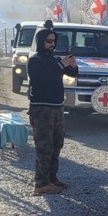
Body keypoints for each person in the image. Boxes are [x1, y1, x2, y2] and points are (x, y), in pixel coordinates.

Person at [27, 27, 78, 195]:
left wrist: (71, 65)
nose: (52, 44)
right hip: (42, 109)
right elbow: (43, 77)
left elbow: (71, 74)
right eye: (48, 41)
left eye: (53, 41)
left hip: (56, 108)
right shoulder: (35, 60)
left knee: (57, 144)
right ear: (41, 41)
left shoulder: (53, 59)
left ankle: (51, 178)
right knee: (44, 146)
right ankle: (41, 183)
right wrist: (61, 64)